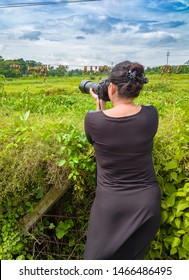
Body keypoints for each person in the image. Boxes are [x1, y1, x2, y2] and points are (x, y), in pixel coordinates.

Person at [83, 60, 161, 260]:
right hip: (147, 206)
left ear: (111, 88)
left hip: (110, 208)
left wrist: (99, 103)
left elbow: (100, 133)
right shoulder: (151, 115)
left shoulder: (93, 120)